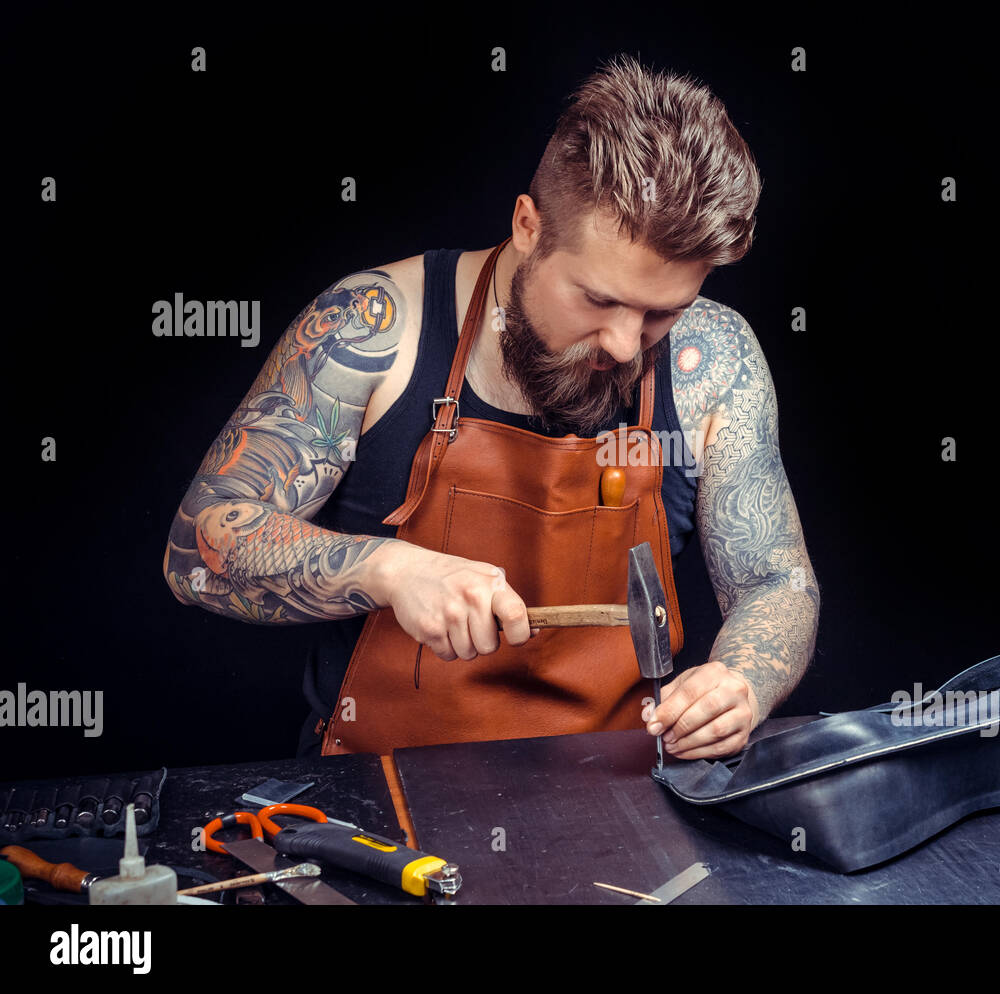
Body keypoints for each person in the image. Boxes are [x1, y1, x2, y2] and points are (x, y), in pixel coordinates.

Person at [163, 54, 819, 761]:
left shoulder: (711, 359)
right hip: (379, 809)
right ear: (528, 226)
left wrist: (743, 681)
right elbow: (198, 549)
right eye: (599, 300)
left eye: (663, 311)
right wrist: (387, 570)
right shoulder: (373, 328)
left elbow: (775, 581)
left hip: (620, 798)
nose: (628, 345)